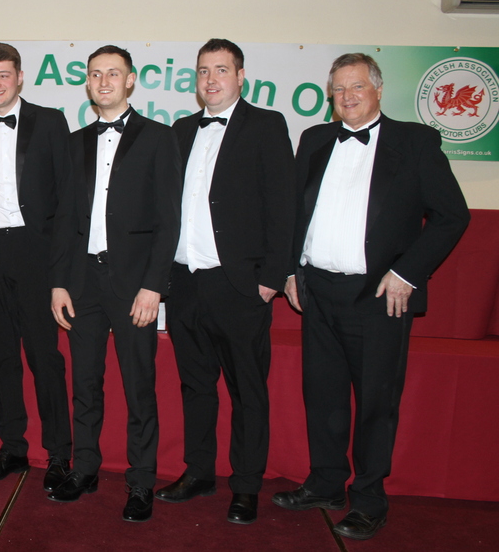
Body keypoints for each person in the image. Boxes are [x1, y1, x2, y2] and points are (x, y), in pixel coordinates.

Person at [274, 53, 469, 540]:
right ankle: (325, 484)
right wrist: (291, 270)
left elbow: (452, 215)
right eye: (339, 89)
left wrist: (407, 273)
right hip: (317, 291)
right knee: (323, 396)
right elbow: (295, 213)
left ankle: (368, 500)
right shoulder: (314, 139)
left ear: (378, 89)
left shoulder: (415, 142)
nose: (348, 96)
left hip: (379, 296)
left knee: (376, 402)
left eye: (357, 86)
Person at [155, 39, 294, 525]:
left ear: (240, 76)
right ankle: (198, 472)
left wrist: (271, 278)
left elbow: (283, 205)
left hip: (239, 286)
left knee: (247, 389)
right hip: (185, 282)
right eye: (203, 71)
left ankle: (247, 485)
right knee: (196, 385)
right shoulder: (180, 130)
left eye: (221, 70)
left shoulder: (267, 125)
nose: (211, 79)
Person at [49, 45, 182, 522]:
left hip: (134, 287)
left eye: (113, 73)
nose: (103, 81)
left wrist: (154, 287)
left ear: (130, 81)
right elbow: (64, 220)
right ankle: (84, 467)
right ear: (87, 82)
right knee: (84, 383)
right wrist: (59, 283)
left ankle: (141, 480)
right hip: (82, 282)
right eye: (95, 74)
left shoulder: (159, 138)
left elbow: (169, 220)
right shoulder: (74, 142)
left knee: (139, 386)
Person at [0, 43, 73, 492]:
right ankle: (12, 448)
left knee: (45, 358)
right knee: (3, 357)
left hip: (35, 253)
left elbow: (68, 199)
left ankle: (59, 454)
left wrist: (60, 271)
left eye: (3, 74)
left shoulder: (50, 122)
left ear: (20, 77)